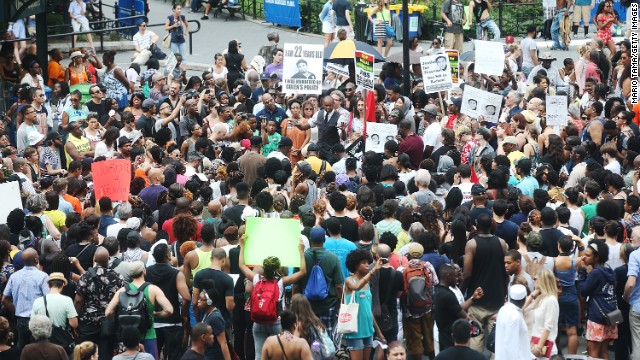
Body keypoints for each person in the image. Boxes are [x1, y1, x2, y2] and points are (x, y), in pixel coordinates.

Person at [238, 235, 307, 360]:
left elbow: (241, 265)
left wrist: (242, 246)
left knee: (259, 354)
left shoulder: (256, 279)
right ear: (277, 268)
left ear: (263, 268)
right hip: (275, 320)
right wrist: (301, 252)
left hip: (258, 321)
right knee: (278, 354)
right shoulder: (281, 283)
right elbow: (302, 271)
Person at [462, 212, 508, 353]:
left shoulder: (472, 244)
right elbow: (506, 270)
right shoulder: (501, 243)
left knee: (476, 337)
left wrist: (461, 290)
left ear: (477, 225)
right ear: (491, 225)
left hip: (477, 299)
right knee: (498, 339)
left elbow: (467, 273)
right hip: (497, 298)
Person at [295, 226, 344, 335]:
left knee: (307, 337)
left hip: (306, 306)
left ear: (310, 239)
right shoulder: (333, 258)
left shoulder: (302, 257)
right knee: (328, 339)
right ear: (324, 240)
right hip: (328, 305)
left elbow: (296, 285)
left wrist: (294, 306)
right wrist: (341, 304)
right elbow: (339, 286)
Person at [1, 248, 49, 349]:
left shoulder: (14, 276)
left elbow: (4, 299)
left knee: (22, 349)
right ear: (36, 260)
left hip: (21, 320)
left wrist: (16, 310)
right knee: (38, 350)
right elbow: (48, 298)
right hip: (38, 320)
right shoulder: (43, 276)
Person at [343, 249, 385, 360]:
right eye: (364, 263)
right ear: (356, 265)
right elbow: (356, 287)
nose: (367, 265)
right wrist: (373, 270)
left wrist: (379, 332)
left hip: (368, 330)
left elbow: (368, 310)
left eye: (368, 262)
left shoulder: (367, 283)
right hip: (355, 330)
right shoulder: (349, 280)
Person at [581, 239, 618, 359]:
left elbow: (583, 291)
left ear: (596, 257)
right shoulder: (609, 270)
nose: (583, 257)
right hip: (611, 315)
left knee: (593, 353)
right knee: (604, 351)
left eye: (587, 255)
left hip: (597, 316)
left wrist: (582, 271)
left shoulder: (595, 273)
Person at [525, 268, 560, 358]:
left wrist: (539, 347)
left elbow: (548, 326)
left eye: (535, 279)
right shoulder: (540, 298)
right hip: (534, 344)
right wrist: (532, 295)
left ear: (543, 280)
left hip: (543, 347)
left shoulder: (551, 300)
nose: (533, 281)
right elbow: (522, 309)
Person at [196, 279, 232, 360]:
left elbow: (223, 343)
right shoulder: (208, 313)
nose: (198, 301)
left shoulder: (215, 318)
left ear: (209, 302)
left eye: (201, 299)